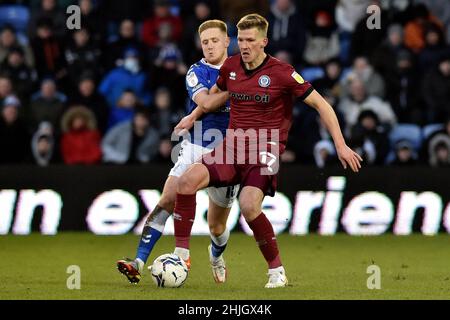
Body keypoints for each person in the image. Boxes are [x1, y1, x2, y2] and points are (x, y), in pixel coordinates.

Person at [171, 14, 362, 288]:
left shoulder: (283, 73)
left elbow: (322, 105)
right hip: (232, 146)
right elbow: (212, 98)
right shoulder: (232, 67)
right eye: (241, 40)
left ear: (264, 42)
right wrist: (192, 117)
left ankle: (276, 271)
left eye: (250, 40)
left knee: (249, 206)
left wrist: (341, 145)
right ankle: (181, 256)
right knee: (186, 182)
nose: (244, 46)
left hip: (265, 148)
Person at [116, 19, 239, 285]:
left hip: (227, 151)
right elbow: (205, 102)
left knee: (217, 227)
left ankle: (216, 255)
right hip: (196, 144)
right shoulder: (196, 71)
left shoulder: (243, 68)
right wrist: (235, 89)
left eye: (214, 40)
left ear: (227, 41)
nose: (209, 46)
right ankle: (138, 261)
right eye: (204, 42)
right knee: (167, 198)